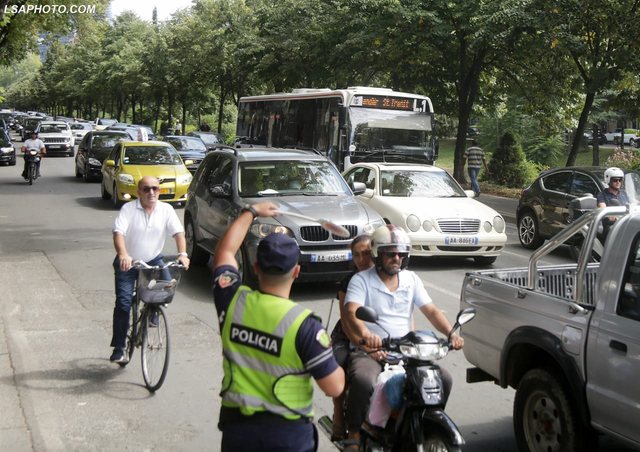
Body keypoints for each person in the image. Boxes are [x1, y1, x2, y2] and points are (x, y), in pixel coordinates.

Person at [212, 202, 344, 452]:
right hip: (288, 437)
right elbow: (334, 386)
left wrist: (250, 212)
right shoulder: (305, 325)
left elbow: (225, 252)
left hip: (238, 433)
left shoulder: (232, 301)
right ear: (296, 271)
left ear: (255, 267)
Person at [342, 224, 464, 449]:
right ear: (378, 254)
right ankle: (355, 433)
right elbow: (352, 312)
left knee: (443, 378)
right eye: (390, 253)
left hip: (406, 350)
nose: (396, 258)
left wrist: (451, 333)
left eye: (401, 254)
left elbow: (431, 311)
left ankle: (422, 420)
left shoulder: (411, 279)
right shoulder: (361, 280)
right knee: (363, 379)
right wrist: (367, 336)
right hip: (370, 350)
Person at [109, 176, 190, 363]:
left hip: (153, 260)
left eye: (155, 188)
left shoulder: (166, 210)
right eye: (146, 189)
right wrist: (123, 254)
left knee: (168, 286)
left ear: (159, 191)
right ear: (139, 192)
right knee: (123, 303)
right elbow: (118, 233)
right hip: (128, 263)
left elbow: (179, 233)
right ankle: (120, 347)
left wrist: (183, 254)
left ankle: (153, 311)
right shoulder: (129, 209)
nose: (151, 192)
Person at [330, 234, 374, 442]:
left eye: (366, 253)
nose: (361, 260)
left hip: (378, 336)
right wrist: (363, 345)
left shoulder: (388, 276)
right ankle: (339, 412)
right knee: (339, 366)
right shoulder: (348, 282)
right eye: (356, 255)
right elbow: (347, 323)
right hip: (346, 335)